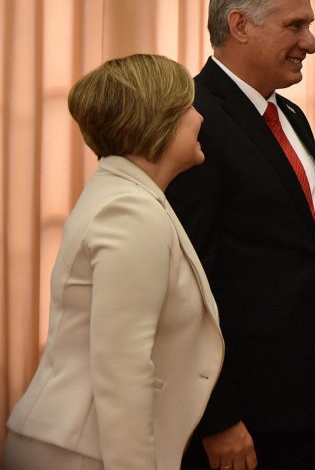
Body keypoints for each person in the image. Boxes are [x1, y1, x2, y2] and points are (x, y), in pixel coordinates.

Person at [165, 0, 315, 470]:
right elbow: (185, 285)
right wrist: (217, 418)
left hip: (305, 408)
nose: (310, 42)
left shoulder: (290, 115)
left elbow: (308, 264)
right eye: (295, 25)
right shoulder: (192, 121)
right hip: (240, 423)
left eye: (309, 26)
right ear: (239, 25)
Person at [2, 54, 224, 470]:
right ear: (159, 121)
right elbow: (122, 372)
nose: (200, 119)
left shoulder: (126, 194)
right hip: (82, 454)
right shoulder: (131, 211)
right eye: (188, 107)